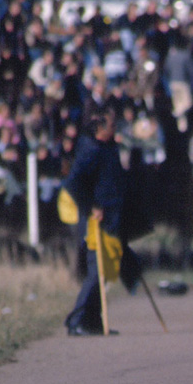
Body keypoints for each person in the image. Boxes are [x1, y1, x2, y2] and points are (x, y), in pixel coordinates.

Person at [62, 113, 127, 336]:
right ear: (100, 129)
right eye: (112, 125)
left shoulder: (110, 148)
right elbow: (73, 182)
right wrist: (91, 206)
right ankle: (76, 321)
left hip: (112, 217)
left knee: (105, 270)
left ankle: (93, 321)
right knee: (95, 271)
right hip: (95, 220)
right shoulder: (90, 149)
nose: (115, 128)